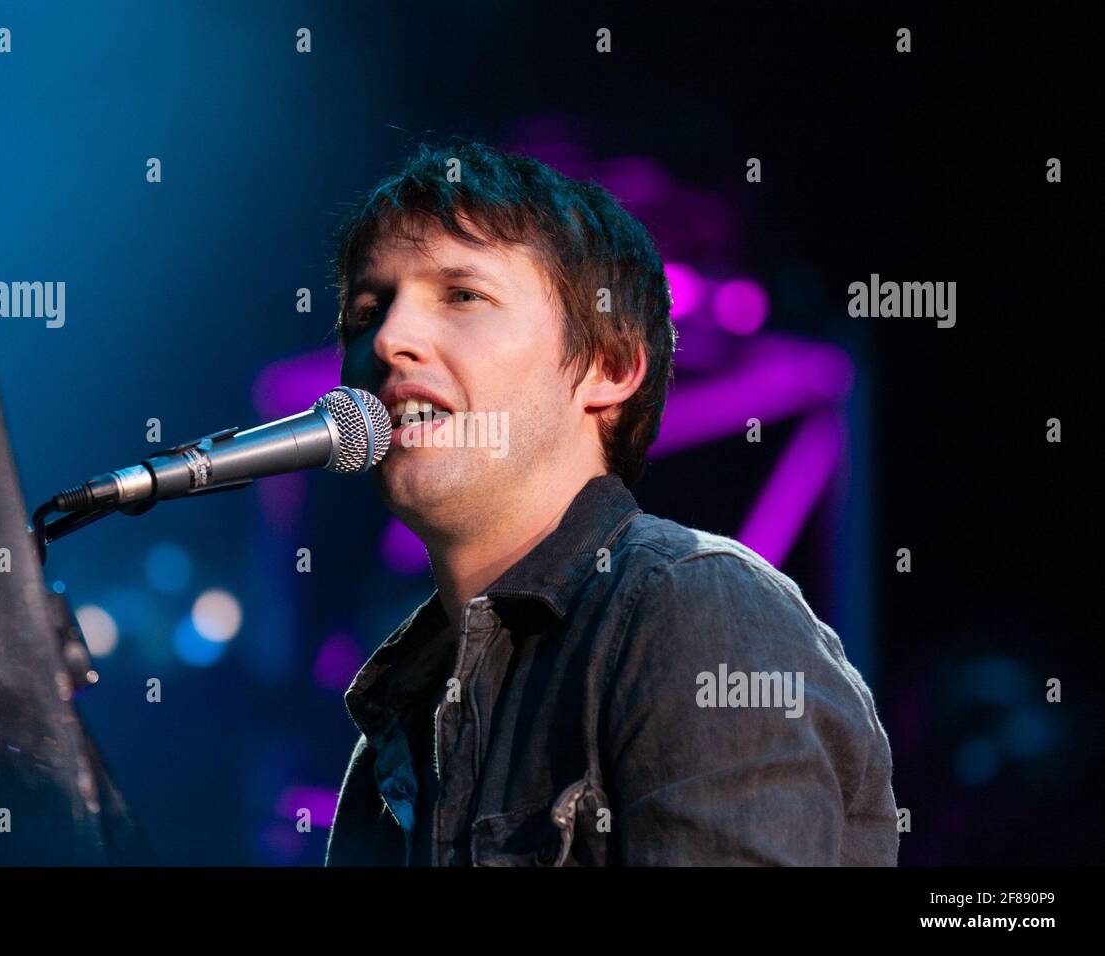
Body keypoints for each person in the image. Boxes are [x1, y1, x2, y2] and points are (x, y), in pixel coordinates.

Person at [324, 138, 897, 866]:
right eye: (370, 308)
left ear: (611, 365)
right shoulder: (399, 715)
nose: (390, 338)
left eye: (463, 294)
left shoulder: (693, 608)